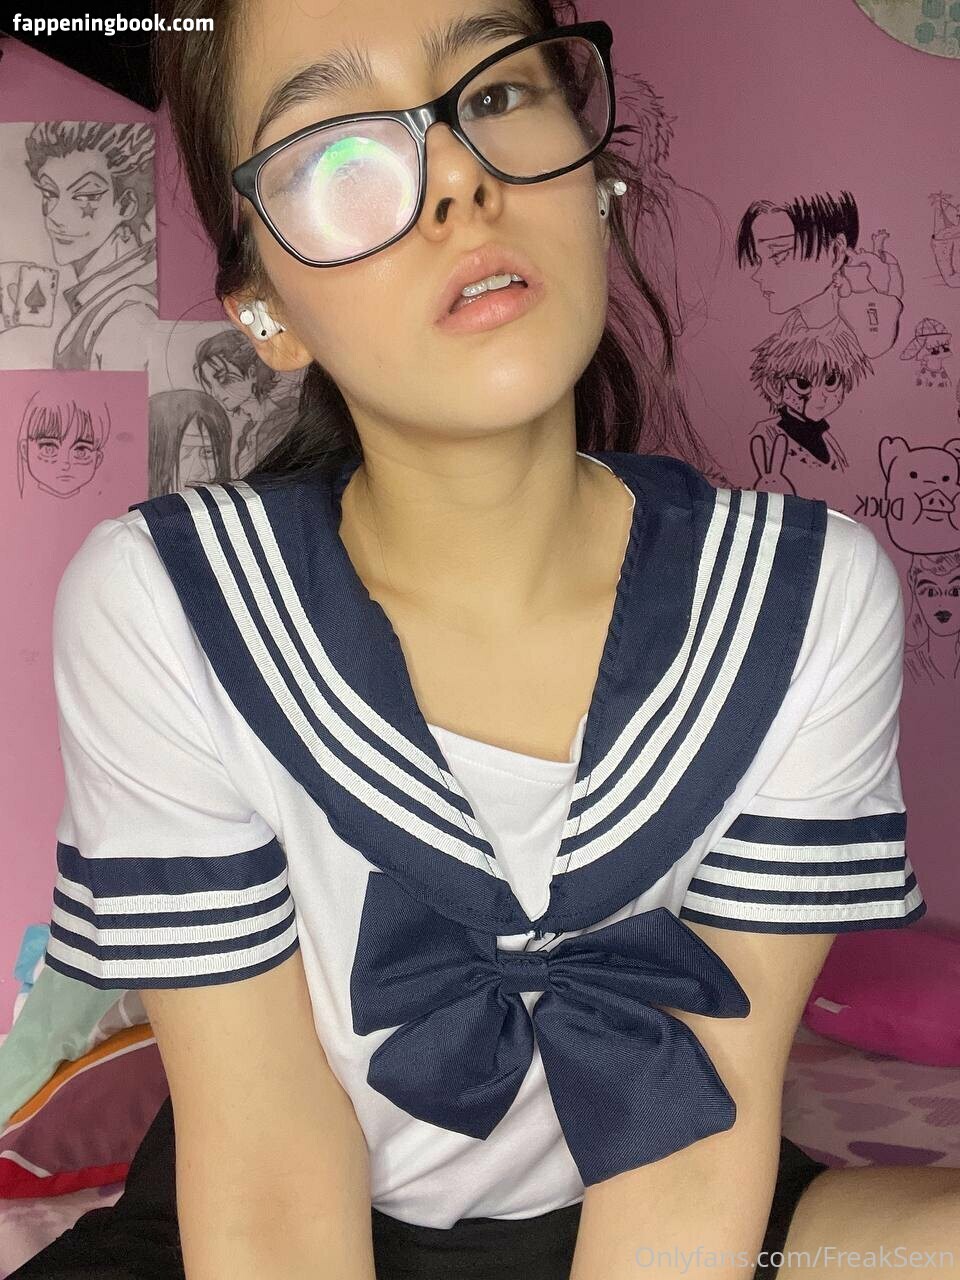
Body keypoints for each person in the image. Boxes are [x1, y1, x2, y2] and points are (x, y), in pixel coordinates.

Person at [18, 2, 959, 1279]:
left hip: (660, 1172)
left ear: (595, 181)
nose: (458, 176)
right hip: (277, 1206)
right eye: (340, 153)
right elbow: (272, 1166)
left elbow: (691, 1142)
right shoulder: (167, 604)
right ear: (266, 307)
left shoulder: (804, 597)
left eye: (500, 93)